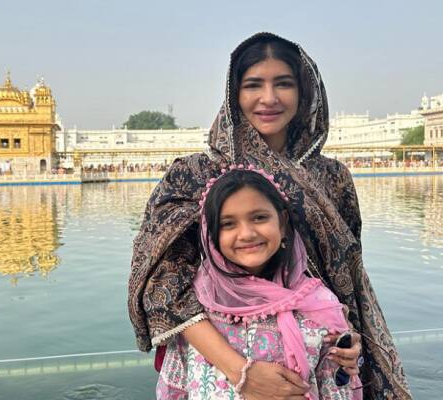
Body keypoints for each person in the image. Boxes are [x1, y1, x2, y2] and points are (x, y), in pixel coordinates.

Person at [128, 32, 411, 400]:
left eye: (283, 84)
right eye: (253, 85)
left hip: (319, 363)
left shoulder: (332, 178)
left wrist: (348, 339)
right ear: (234, 95)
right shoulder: (194, 175)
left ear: (304, 92)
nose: (269, 98)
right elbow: (160, 288)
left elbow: (346, 280)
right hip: (223, 369)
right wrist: (241, 372)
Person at [157, 167, 361, 399]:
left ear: (282, 222)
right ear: (210, 234)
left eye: (259, 217)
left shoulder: (321, 307)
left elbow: (338, 389)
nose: (246, 234)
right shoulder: (195, 307)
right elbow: (173, 388)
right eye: (228, 224)